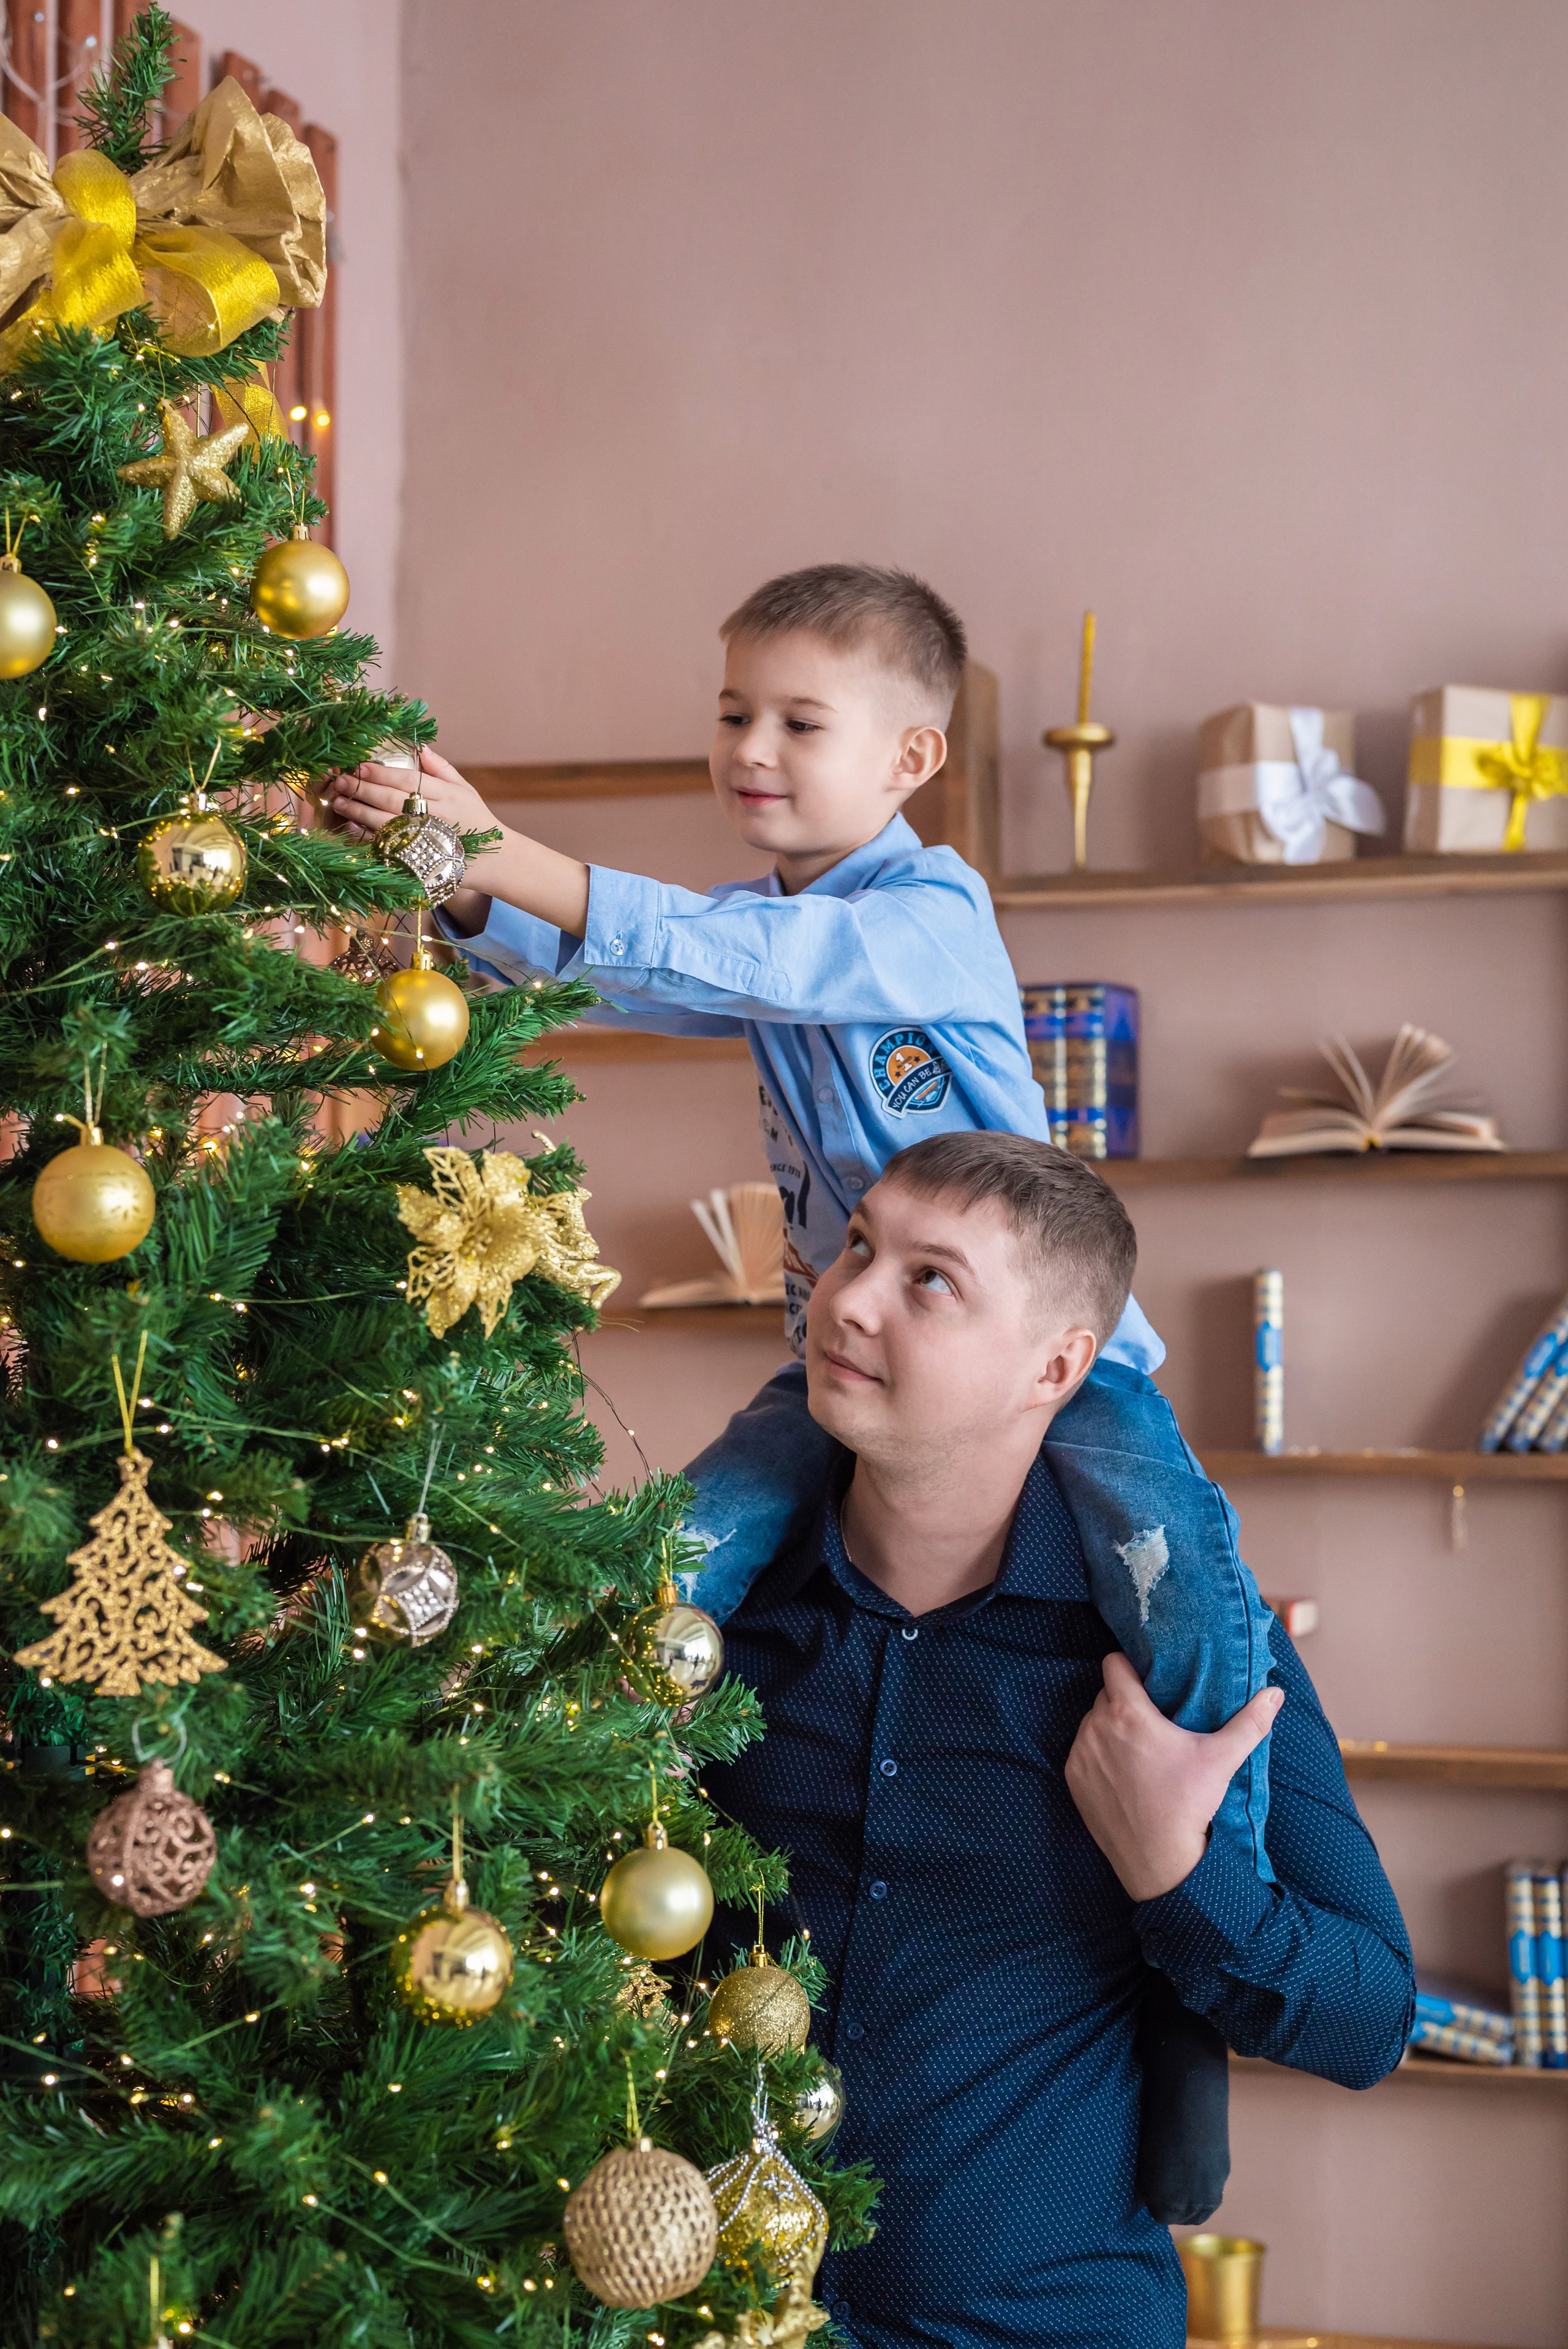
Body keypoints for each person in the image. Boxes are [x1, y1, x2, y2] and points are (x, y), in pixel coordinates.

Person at [324, 562, 1276, 1883]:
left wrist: (502, 848)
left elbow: (754, 962)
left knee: (1174, 1571)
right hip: (835, 1355)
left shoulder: (931, 917)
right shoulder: (763, 923)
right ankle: (550, 1823)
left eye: (799, 722)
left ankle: (1227, 1854)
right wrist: (471, 890)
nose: (750, 750)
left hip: (1059, 1356)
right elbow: (639, 971)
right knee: (679, 1549)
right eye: (732, 715)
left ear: (911, 757)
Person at [697, 1131, 1413, 2349]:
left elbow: (1369, 2021)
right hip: (703, 2313)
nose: (848, 1299)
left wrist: (1177, 1875)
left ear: (1056, 1366)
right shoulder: (705, 1624)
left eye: (930, 1279)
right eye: (859, 1246)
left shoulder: (1188, 1658)